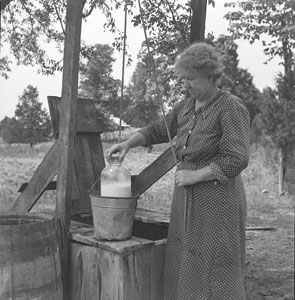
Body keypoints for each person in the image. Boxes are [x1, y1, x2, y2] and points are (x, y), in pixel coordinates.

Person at [105, 42, 250, 300]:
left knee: (215, 259)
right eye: (183, 79)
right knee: (187, 256)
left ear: (211, 75)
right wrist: (127, 143)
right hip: (185, 198)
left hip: (217, 199)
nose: (185, 85)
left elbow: (237, 158)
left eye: (191, 79)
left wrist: (195, 175)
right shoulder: (185, 107)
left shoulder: (230, 107)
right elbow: (156, 130)